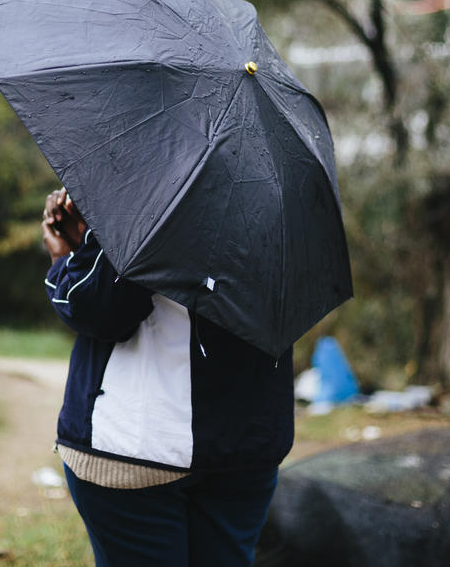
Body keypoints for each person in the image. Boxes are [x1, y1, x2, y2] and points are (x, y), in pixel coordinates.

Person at [41, 187, 294, 567]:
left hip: (138, 442)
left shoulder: (152, 181)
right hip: (246, 442)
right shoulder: (280, 194)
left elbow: (102, 308)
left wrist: (65, 259)